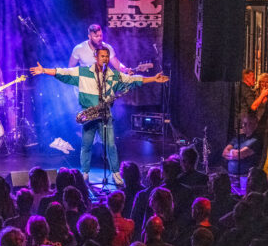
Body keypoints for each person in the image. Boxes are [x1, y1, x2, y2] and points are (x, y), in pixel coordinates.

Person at [30, 46, 168, 185]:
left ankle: (115, 173)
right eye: (102, 56)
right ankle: (85, 174)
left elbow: (132, 80)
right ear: (95, 57)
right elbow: (63, 72)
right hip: (89, 116)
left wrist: (153, 79)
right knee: (86, 146)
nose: (105, 59)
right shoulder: (83, 71)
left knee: (111, 146)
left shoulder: (113, 75)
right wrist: (44, 70)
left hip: (105, 115)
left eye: (107, 56)